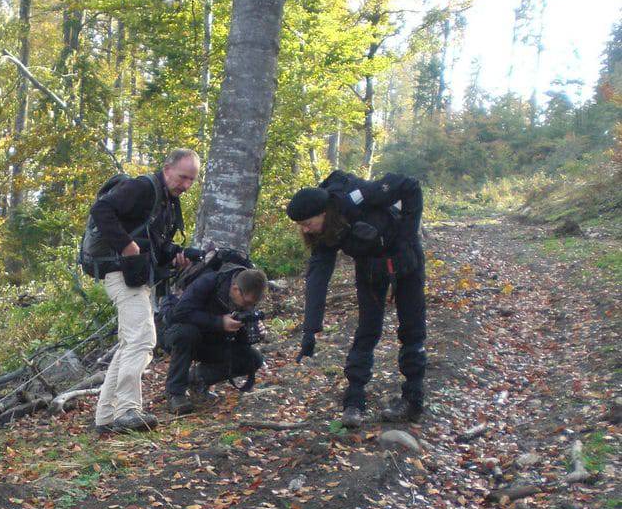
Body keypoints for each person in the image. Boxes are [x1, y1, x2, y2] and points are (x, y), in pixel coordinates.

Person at [285, 170, 426, 428]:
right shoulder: (324, 236)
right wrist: (310, 330)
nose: (305, 229)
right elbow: (317, 281)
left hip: (406, 258)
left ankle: (413, 399)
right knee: (367, 329)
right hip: (371, 267)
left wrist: (407, 240)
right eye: (301, 226)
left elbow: (410, 184)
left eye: (308, 222)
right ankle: (354, 400)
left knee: (411, 327)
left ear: (325, 212)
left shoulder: (359, 197)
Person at [86, 149, 200, 434]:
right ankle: (127, 409)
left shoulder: (167, 203)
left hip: (135, 277)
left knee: (130, 343)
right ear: (167, 168)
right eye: (182, 177)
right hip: (119, 272)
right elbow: (101, 210)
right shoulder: (143, 187)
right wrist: (127, 246)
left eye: (191, 180)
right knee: (142, 340)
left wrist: (178, 254)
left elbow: (155, 244)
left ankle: (106, 417)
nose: (185, 185)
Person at [163, 267, 268, 415]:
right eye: (247, 303)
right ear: (235, 289)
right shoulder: (208, 282)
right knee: (187, 333)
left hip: (215, 342)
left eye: (253, 304)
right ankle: (175, 393)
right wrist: (219, 322)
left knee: (253, 358)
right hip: (178, 336)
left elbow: (241, 342)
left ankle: (197, 378)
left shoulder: (246, 297)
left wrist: (254, 331)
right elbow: (180, 313)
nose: (249, 307)